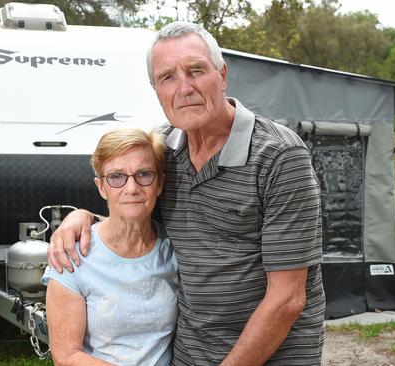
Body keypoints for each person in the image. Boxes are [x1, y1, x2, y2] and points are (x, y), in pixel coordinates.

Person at [48, 21, 325, 365]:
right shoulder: (164, 151)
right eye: (168, 77)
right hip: (191, 356)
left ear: (222, 75)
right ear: (156, 90)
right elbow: (134, 206)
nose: (184, 88)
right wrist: (84, 217)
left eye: (196, 70)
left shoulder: (279, 157)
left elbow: (287, 298)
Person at [42, 128, 178, 366]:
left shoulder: (174, 248)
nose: (132, 188)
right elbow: (66, 356)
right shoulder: (74, 256)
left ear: (159, 183)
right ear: (101, 187)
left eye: (144, 174)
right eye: (116, 177)